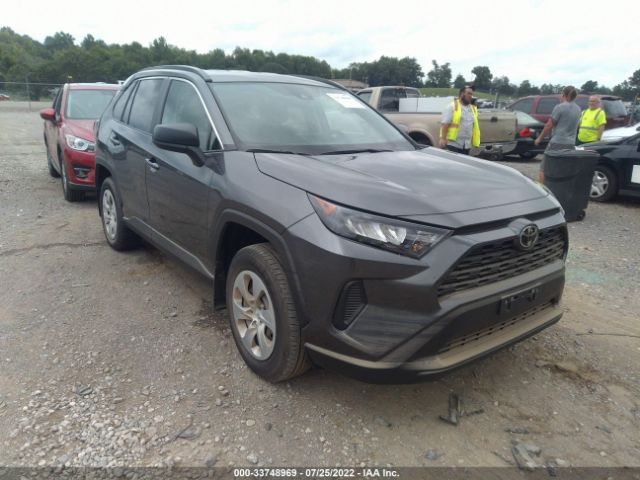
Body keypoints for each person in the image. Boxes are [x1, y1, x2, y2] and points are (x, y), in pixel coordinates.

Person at [534, 86, 581, 152]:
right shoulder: (578, 109)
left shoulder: (560, 107)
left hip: (558, 142)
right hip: (571, 143)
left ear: (563, 95)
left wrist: (539, 138)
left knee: (548, 161)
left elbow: (549, 125)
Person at [440, 86, 480, 155]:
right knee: (453, 165)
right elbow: (445, 124)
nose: (471, 96)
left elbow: (474, 126)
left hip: (466, 145)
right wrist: (443, 139)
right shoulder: (452, 106)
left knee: (462, 165)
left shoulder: (473, 109)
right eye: (469, 93)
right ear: (462, 94)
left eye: (471, 94)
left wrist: (475, 142)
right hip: (453, 144)